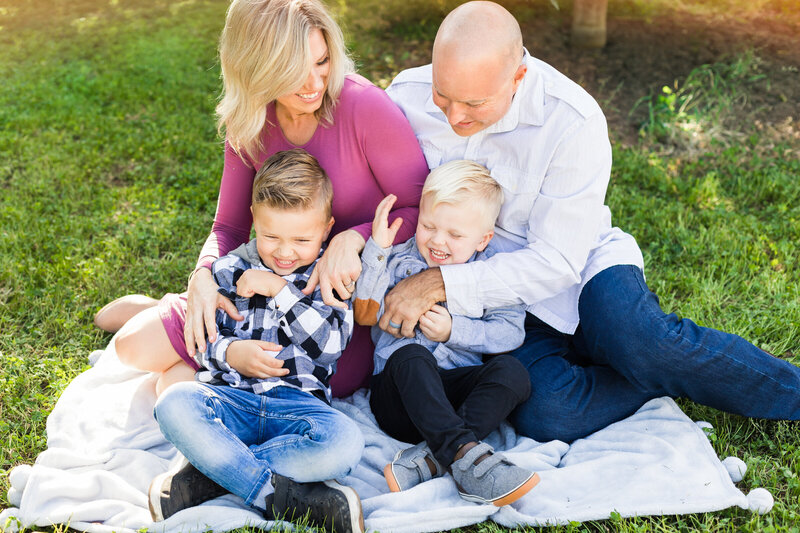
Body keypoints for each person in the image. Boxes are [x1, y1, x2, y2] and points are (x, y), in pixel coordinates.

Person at [380, 0, 800, 444]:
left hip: (578, 270)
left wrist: (440, 282)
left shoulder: (572, 120)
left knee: (643, 342)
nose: (454, 116)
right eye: (442, 96)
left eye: (475, 103)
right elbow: (376, 193)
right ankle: (644, 376)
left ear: (518, 77)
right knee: (547, 415)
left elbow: (557, 261)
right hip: (501, 308)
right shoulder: (405, 96)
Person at [94, 0, 428, 397]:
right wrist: (202, 277)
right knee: (132, 349)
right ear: (256, 68)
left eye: (321, 62)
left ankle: (166, 316)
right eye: (293, 71)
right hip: (258, 284)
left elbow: (419, 207)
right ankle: (171, 310)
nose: (314, 84)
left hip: (335, 302)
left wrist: (352, 238)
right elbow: (230, 225)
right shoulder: (249, 117)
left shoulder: (364, 107)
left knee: (328, 378)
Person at [149, 150, 365, 532]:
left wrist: (281, 291)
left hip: (297, 412)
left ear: (327, 229)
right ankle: (274, 494)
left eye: (301, 239)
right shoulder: (229, 270)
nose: (284, 251)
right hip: (232, 402)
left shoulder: (329, 277)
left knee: (345, 442)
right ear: (253, 220)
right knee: (174, 403)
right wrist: (230, 353)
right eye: (271, 236)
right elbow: (201, 343)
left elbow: (329, 347)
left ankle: (214, 472)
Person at [355, 160, 538, 506]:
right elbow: (367, 311)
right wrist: (377, 250)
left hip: (453, 401)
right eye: (428, 226)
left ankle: (432, 459)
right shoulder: (399, 260)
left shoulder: (490, 274)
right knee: (411, 354)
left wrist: (455, 330)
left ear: (484, 239)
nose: (438, 241)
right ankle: (468, 457)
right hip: (399, 399)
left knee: (513, 373)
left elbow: (510, 333)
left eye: (455, 235)